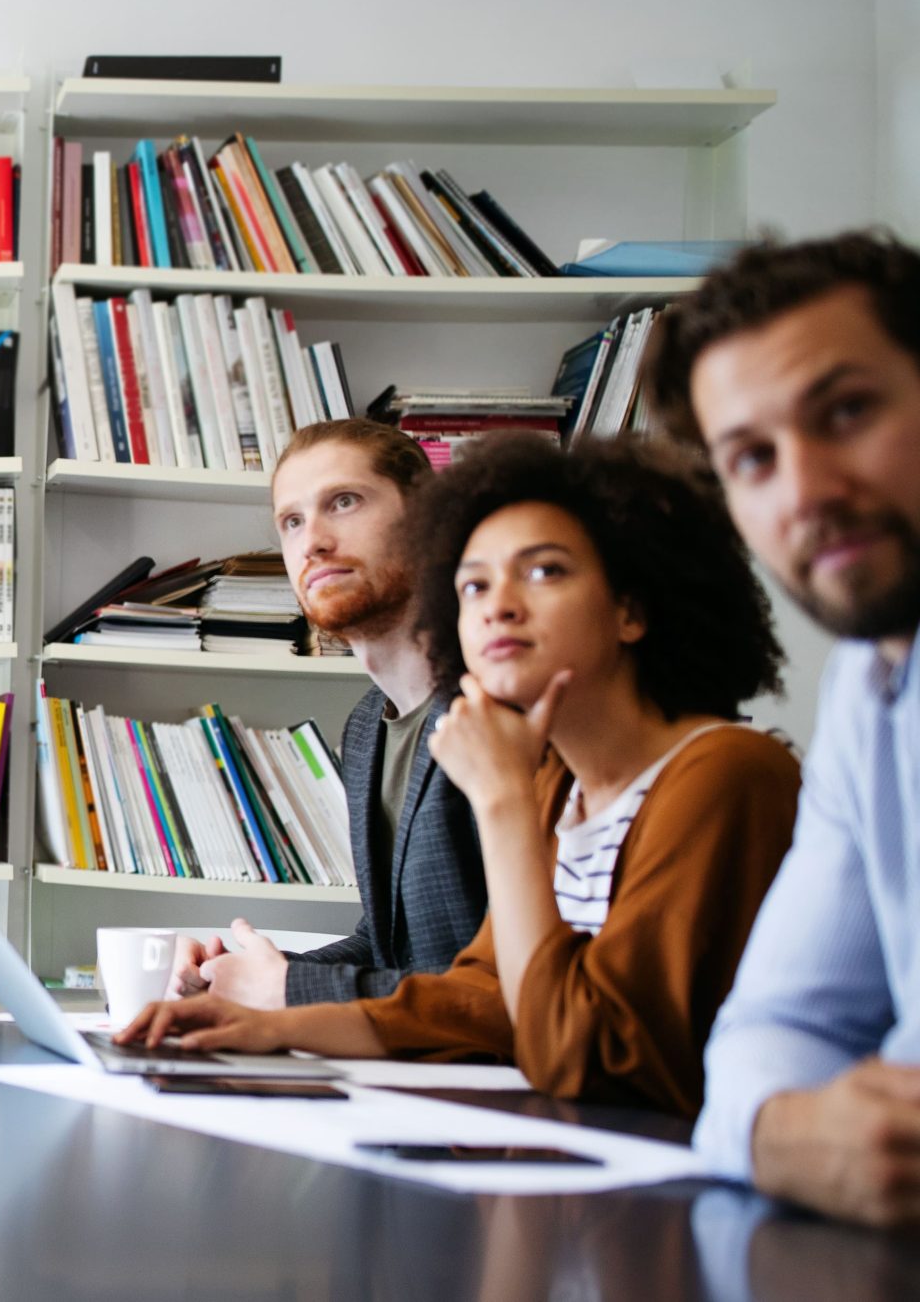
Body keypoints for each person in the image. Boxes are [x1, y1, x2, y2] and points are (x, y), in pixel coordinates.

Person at [119, 432, 799, 1117]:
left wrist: (502, 800)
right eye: (474, 584)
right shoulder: (566, 790)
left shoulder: (722, 773)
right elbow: (480, 994)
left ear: (632, 607)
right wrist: (266, 1020)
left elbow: (571, 1043)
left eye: (543, 572)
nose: (497, 605)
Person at [662, 232, 920, 1227]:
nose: (803, 490)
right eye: (752, 458)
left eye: (846, 411)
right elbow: (778, 1019)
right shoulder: (868, 681)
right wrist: (780, 1128)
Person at [173, 419, 488, 1008]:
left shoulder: (499, 707)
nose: (311, 541)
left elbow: (505, 987)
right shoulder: (370, 726)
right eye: (291, 521)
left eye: (343, 502)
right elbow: (386, 946)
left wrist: (290, 988)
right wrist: (239, 978)